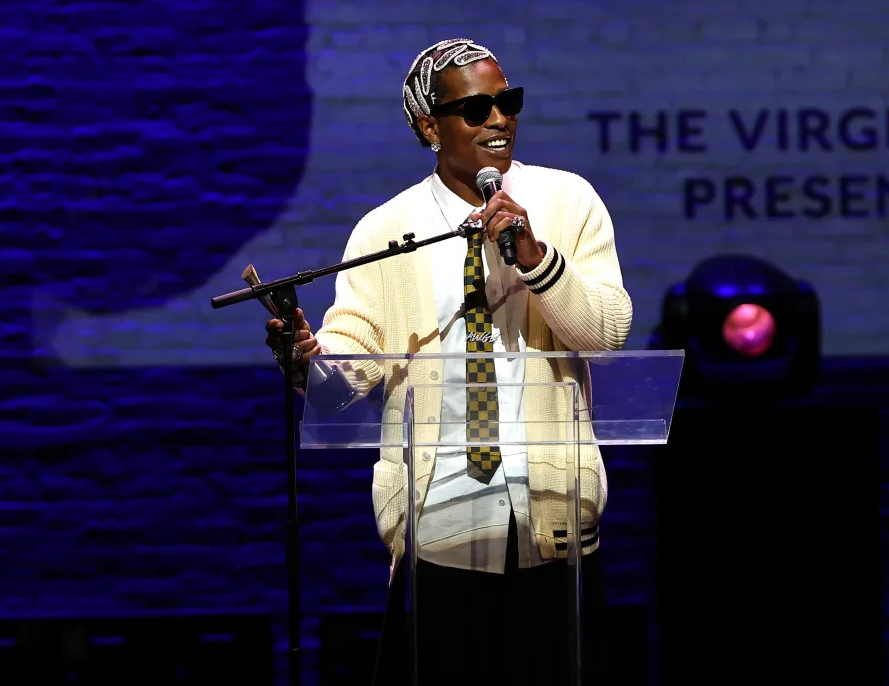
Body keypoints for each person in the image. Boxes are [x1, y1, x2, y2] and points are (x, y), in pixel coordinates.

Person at [265, 38, 632, 686]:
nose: (499, 119)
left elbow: (606, 334)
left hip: (554, 525)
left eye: (507, 102)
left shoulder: (568, 203)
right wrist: (309, 363)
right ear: (429, 126)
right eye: (477, 108)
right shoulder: (386, 230)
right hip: (439, 533)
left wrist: (537, 259)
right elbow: (348, 374)